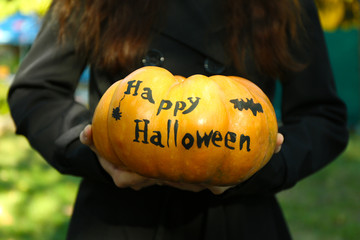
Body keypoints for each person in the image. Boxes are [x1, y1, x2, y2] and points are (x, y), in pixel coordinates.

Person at [7, 0, 349, 239]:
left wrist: (263, 165)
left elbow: (322, 114)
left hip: (238, 220)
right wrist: (96, 147)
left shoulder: (284, 3)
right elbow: (37, 91)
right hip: (117, 218)